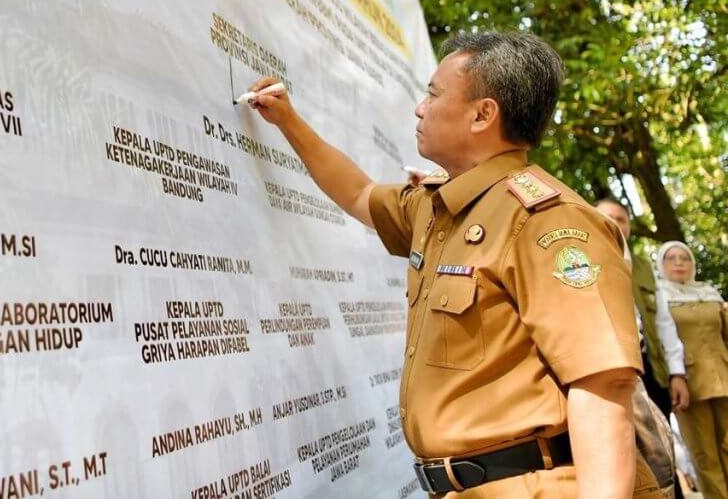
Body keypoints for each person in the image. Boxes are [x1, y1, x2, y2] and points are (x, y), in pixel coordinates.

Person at [246, 31, 650, 497]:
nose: (420, 108)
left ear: (483, 114)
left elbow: (603, 387)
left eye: (434, 94)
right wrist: (288, 121)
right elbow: (358, 193)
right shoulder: (439, 209)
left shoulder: (548, 221)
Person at [595, 199, 690, 425]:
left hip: (651, 369)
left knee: (664, 445)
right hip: (614, 371)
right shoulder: (583, 262)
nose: (615, 223)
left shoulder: (644, 267)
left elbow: (664, 323)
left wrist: (676, 374)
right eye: (608, 217)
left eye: (622, 219)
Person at [656, 240, 728, 497]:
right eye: (671, 258)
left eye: (684, 258)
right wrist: (675, 376)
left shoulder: (709, 292)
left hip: (724, 377)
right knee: (705, 454)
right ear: (660, 264)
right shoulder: (658, 295)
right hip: (688, 383)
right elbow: (660, 342)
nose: (678, 263)